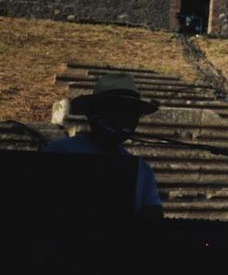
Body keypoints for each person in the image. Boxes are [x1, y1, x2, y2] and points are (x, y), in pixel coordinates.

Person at [43, 73, 163, 220]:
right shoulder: (60, 152)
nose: (123, 119)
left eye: (131, 113)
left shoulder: (141, 169)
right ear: (92, 114)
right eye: (114, 110)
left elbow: (153, 214)